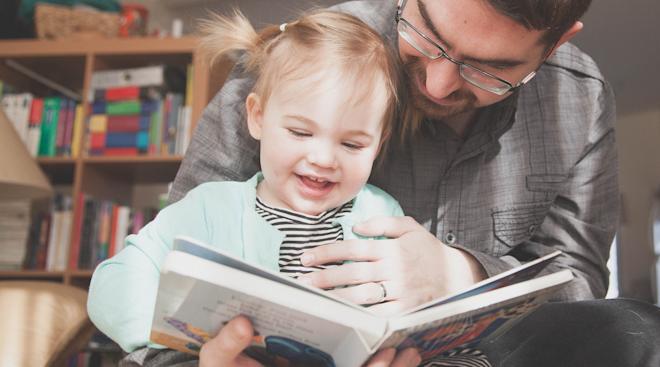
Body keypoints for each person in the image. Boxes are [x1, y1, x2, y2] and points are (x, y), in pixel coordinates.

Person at [129, 0, 660, 366]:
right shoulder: (301, 58)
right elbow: (173, 273)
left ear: (556, 43)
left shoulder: (581, 99)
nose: (438, 83)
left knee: (640, 329)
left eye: (490, 70)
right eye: (428, 37)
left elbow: (579, 281)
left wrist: (459, 273)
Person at [87, 8, 424, 366]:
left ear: (379, 142)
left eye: (353, 144)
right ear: (257, 117)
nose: (324, 159)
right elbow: (114, 283)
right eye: (300, 132)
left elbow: (406, 312)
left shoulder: (381, 215)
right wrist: (179, 336)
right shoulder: (210, 207)